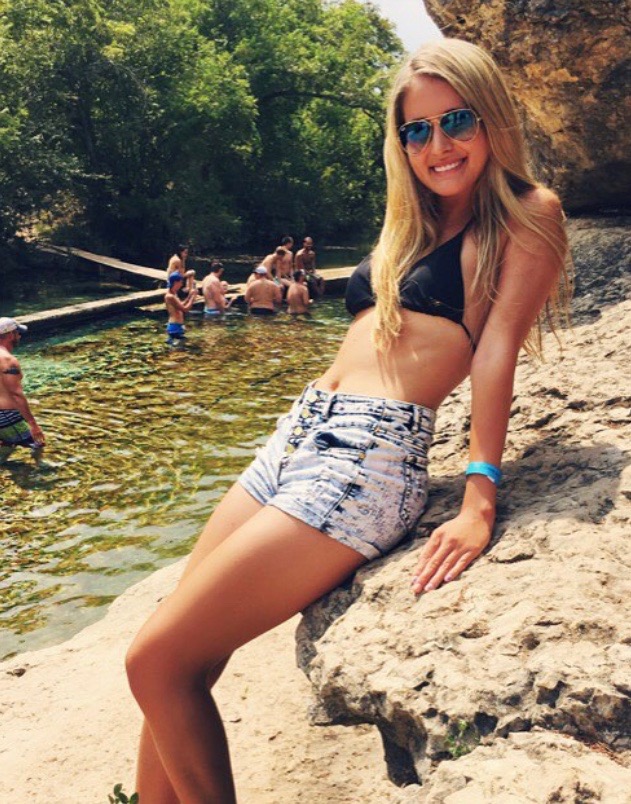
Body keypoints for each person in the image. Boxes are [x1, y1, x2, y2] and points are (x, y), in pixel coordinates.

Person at [126, 39, 570, 802]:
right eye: (416, 130)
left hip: (367, 457)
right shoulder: (410, 222)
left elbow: (495, 353)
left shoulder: (529, 213)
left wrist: (478, 498)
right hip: (297, 434)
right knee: (179, 652)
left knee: (153, 661)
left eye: (456, 120)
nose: (438, 144)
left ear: (492, 117)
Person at [0, 318, 45, 464]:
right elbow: (16, 394)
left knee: (7, 444)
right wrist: (33, 425)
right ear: (10, 335)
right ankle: (37, 472)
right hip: (7, 416)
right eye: (17, 332)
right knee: (38, 443)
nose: (19, 336)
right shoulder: (8, 360)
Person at [165, 272, 197, 342]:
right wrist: (193, 298)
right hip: (174, 327)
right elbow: (185, 309)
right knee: (179, 347)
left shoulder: (174, 294)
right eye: (180, 282)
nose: (181, 284)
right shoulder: (170, 296)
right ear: (176, 282)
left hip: (178, 326)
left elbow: (180, 305)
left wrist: (189, 296)